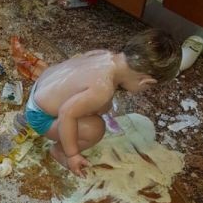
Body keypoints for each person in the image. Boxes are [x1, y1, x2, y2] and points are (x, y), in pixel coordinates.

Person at [24, 29, 181, 177]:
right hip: (39, 117)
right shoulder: (102, 88)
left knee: (101, 105)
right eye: (147, 88)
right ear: (145, 82)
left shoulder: (105, 55)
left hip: (40, 90)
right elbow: (66, 114)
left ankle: (64, 134)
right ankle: (59, 151)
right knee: (96, 129)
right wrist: (73, 155)